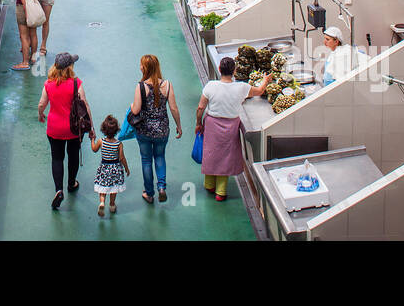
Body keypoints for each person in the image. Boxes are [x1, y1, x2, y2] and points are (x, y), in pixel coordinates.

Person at [195, 57, 270, 201]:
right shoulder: (241, 87)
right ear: (234, 71)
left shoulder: (210, 86)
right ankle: (221, 192)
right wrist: (265, 80)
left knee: (211, 153)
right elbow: (260, 91)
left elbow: (200, 107)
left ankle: (209, 184)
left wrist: (198, 123)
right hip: (230, 126)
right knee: (225, 156)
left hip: (212, 124)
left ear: (219, 69)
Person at [37, 52, 94, 210]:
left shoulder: (48, 84)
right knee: (73, 155)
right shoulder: (76, 83)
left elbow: (42, 103)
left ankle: (58, 190)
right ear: (70, 67)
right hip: (73, 128)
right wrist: (91, 128)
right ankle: (71, 183)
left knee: (57, 158)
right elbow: (85, 106)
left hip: (54, 127)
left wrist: (41, 114)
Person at [128, 54, 182, 205]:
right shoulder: (167, 85)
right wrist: (178, 125)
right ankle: (162, 187)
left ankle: (149, 193)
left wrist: (131, 105)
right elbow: (173, 108)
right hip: (162, 129)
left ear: (144, 68)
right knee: (160, 157)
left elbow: (136, 109)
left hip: (144, 130)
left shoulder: (141, 86)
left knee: (146, 160)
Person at [91, 115, 128, 217]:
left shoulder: (101, 141)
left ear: (104, 129)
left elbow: (94, 149)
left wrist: (92, 140)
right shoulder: (118, 144)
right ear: (116, 130)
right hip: (115, 168)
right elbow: (122, 158)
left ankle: (102, 202)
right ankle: (112, 205)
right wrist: (126, 168)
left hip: (104, 167)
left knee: (103, 186)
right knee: (114, 188)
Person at [12, 0, 42, 72]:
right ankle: (34, 57)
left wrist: (26, 7)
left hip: (22, 8)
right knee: (33, 34)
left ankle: (24, 62)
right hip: (33, 6)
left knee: (24, 36)